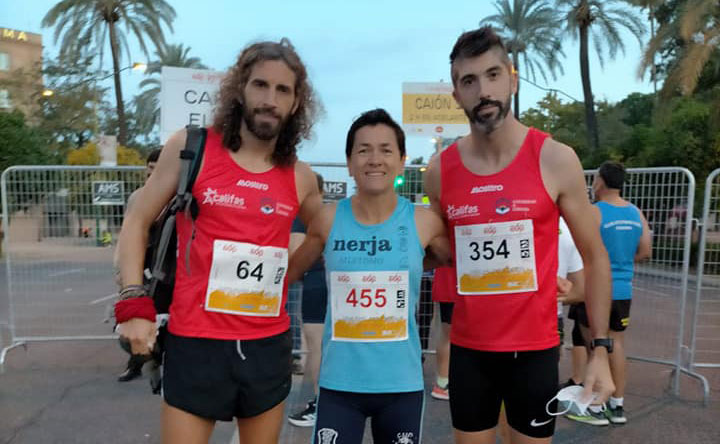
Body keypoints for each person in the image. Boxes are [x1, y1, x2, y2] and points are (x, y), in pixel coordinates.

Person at [114, 39, 322, 444]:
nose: (269, 99)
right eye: (260, 85)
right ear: (240, 88)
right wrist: (132, 300)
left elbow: (327, 232)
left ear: (296, 103)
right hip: (197, 343)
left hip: (266, 346)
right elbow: (138, 218)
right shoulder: (191, 149)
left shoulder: (300, 176)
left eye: (283, 90)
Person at [423, 27, 615, 444]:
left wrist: (600, 349)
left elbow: (596, 257)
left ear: (512, 79)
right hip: (469, 351)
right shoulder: (440, 171)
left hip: (534, 351)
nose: (483, 91)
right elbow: (435, 250)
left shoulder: (555, 159)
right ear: (456, 94)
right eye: (469, 81)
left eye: (492, 75)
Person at [288, 108, 449, 444]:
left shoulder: (425, 222)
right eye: (364, 150)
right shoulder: (328, 219)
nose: (375, 159)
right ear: (349, 162)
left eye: (385, 150)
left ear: (402, 161)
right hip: (338, 385)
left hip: (401, 385)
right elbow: (289, 273)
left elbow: (462, 263)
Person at [567, 161, 651, 426]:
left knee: (595, 347)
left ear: (600, 181)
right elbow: (646, 252)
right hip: (624, 289)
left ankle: (595, 406)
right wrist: (623, 262)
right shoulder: (636, 213)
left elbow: (578, 249)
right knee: (617, 345)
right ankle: (617, 405)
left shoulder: (594, 212)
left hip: (595, 289)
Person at [115, 148, 162, 382]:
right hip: (140, 267)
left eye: (158, 170)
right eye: (149, 170)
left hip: (162, 267)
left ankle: (156, 363)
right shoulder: (138, 197)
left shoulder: (177, 196)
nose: (152, 175)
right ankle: (136, 362)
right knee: (135, 317)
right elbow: (128, 234)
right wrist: (122, 272)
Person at [287, 172, 327, 428]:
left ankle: (321, 405)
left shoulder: (302, 218)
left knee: (317, 348)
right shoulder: (333, 215)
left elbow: (296, 256)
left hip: (316, 283)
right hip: (332, 283)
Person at [430, 266, 454, 400]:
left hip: (452, 282)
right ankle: (442, 383)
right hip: (451, 283)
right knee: (447, 334)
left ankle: (443, 382)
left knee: (446, 333)